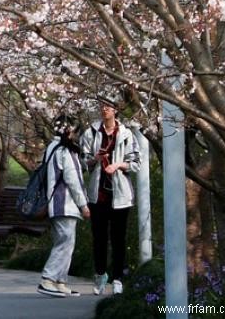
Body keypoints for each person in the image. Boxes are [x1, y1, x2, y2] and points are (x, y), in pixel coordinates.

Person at [80, 95, 140, 296]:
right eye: (102, 106)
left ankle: (118, 278)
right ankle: (99, 274)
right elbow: (83, 159)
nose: (105, 109)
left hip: (120, 196)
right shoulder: (91, 132)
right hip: (98, 195)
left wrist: (119, 165)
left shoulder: (126, 134)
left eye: (109, 107)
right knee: (99, 237)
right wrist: (94, 159)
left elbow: (135, 162)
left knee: (118, 238)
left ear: (116, 110)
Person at [37, 116, 91, 298]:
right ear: (68, 131)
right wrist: (84, 205)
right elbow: (73, 180)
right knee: (65, 242)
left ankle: (60, 281)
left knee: (66, 242)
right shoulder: (65, 151)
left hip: (54, 203)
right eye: (75, 131)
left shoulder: (51, 148)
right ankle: (48, 279)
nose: (77, 135)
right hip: (64, 203)